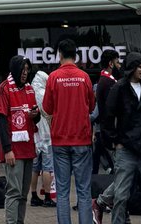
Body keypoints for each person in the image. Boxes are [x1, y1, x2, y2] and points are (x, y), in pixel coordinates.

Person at [94, 51, 141, 224]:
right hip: (126, 149)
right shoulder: (119, 88)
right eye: (140, 67)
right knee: (121, 196)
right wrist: (114, 142)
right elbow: (107, 117)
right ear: (132, 68)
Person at [42, 36, 96, 224]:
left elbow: (47, 108)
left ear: (60, 55)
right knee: (84, 190)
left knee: (63, 192)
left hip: (60, 140)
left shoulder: (54, 78)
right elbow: (91, 107)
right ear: (76, 55)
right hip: (81, 139)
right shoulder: (85, 77)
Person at [0, 55, 40, 224]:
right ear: (15, 69)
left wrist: (35, 116)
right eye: (23, 68)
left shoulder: (30, 90)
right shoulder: (4, 89)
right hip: (13, 150)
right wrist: (7, 150)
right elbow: (0, 120)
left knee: (23, 193)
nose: (25, 72)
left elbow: (35, 120)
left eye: (28, 69)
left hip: (28, 149)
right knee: (14, 191)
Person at [93, 49, 120, 175]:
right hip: (112, 132)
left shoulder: (103, 81)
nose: (119, 65)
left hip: (107, 131)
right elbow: (112, 109)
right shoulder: (108, 82)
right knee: (119, 170)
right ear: (111, 63)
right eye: (117, 62)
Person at [30, 69, 54, 207]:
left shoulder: (30, 92)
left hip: (35, 135)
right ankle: (47, 197)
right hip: (46, 135)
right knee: (47, 167)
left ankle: (33, 196)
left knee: (35, 168)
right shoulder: (45, 94)